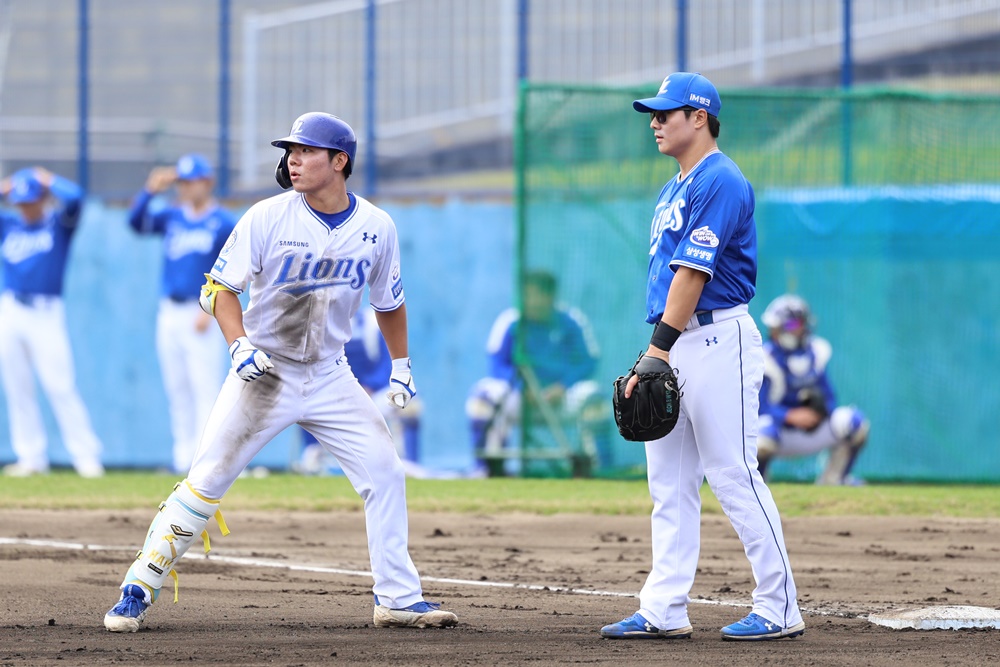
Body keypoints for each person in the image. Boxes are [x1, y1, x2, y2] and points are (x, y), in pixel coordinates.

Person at [103, 112, 458, 632]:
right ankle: (139, 584)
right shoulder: (267, 217)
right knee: (207, 477)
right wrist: (238, 345)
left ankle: (399, 599)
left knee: (385, 472)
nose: (293, 159)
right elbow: (220, 289)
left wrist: (401, 364)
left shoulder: (377, 227)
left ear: (340, 161)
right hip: (265, 369)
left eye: (307, 150)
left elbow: (389, 302)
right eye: (290, 150)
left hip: (332, 374)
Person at [599, 73, 804, 642]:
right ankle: (665, 608)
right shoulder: (678, 184)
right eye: (653, 114)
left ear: (700, 116)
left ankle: (780, 605)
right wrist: (659, 349)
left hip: (717, 341)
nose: (655, 122)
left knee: (733, 474)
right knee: (669, 482)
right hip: (678, 341)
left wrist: (654, 352)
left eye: (667, 113)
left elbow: (693, 273)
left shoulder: (720, 179)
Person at [127, 154, 237, 473]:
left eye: (194, 181)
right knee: (178, 389)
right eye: (184, 182)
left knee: (205, 388)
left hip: (201, 311)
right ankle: (182, 460)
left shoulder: (223, 222)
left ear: (208, 182)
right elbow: (135, 222)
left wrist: (213, 308)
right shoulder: (173, 216)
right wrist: (151, 188)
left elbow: (234, 268)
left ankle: (208, 463)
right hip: (169, 313)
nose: (188, 188)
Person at [0, 167, 104, 478]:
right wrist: (7, 186)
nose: (26, 207)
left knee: (60, 384)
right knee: (17, 386)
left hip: (46, 312)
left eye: (31, 200)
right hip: (11, 309)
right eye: (21, 201)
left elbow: (76, 198)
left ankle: (86, 458)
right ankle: (31, 457)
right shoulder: (9, 225)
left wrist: (46, 179)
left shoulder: (58, 224)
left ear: (44, 198)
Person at [465, 270, 611, 476]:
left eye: (538, 294)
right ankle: (487, 470)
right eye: (528, 294)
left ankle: (600, 471)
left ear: (551, 296)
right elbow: (497, 365)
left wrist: (563, 385)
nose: (532, 301)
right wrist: (522, 388)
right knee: (483, 396)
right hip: (521, 400)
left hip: (561, 399)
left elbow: (587, 361)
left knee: (593, 397)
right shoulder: (511, 321)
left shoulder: (571, 321)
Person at [296, 303, 424, 476]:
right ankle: (316, 458)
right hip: (334, 394)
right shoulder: (318, 324)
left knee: (409, 406)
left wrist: (369, 386)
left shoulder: (371, 322)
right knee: (304, 400)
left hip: (372, 394)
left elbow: (386, 363)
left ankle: (406, 463)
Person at [757, 294, 869, 485]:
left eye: (793, 325)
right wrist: (789, 415)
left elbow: (831, 399)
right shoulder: (763, 357)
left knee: (854, 422)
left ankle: (835, 480)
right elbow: (757, 407)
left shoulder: (816, 352)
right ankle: (757, 484)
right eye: (780, 326)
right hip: (778, 433)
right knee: (762, 433)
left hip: (810, 432)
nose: (779, 332)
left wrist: (818, 411)